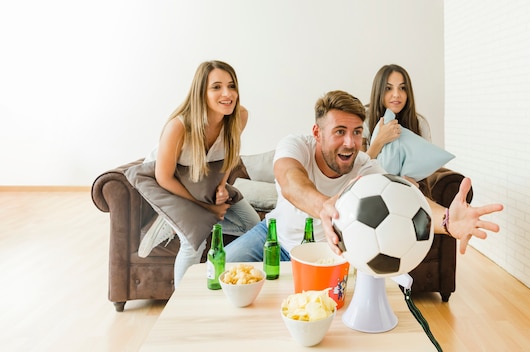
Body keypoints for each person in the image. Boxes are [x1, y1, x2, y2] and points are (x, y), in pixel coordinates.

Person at [225, 90, 503, 262]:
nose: (350, 142)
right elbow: (289, 179)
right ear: (317, 132)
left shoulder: (364, 166)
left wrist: (446, 219)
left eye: (357, 132)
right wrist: (323, 204)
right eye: (339, 132)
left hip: (327, 254)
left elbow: (404, 195)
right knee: (219, 270)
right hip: (274, 237)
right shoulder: (296, 146)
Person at [129, 61, 259, 287]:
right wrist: (207, 208)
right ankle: (180, 307)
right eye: (216, 87)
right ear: (201, 92)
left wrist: (221, 186)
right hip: (167, 183)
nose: (227, 94)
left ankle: (180, 225)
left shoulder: (239, 116)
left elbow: (231, 152)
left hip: (201, 178)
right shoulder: (178, 127)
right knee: (193, 242)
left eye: (231, 86)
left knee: (253, 224)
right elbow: (164, 177)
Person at [364, 64, 431, 157]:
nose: (396, 94)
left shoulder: (419, 122)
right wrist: (380, 141)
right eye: (388, 88)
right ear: (379, 91)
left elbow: (427, 161)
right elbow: (359, 167)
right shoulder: (364, 120)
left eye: (402, 88)